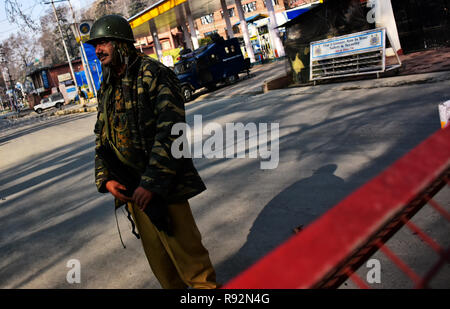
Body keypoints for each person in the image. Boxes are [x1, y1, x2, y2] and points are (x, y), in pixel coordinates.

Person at [87, 15, 219, 289]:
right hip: (132, 190)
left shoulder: (154, 74)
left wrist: (151, 184)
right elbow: (103, 134)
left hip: (164, 188)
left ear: (122, 43)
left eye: (103, 42)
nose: (98, 49)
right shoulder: (108, 84)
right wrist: (106, 179)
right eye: (95, 44)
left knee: (195, 270)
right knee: (165, 271)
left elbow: (172, 132)